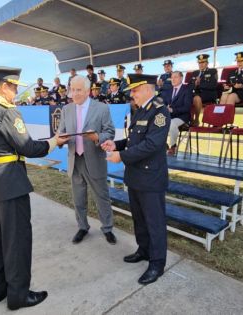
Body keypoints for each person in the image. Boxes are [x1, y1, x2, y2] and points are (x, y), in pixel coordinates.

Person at [0, 66, 68, 310]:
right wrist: (54, 141)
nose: (15, 93)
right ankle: (19, 295)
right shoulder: (6, 111)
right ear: (4, 86)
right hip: (10, 185)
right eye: (14, 87)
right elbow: (28, 148)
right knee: (17, 241)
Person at [102, 73, 170, 285]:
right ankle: (144, 250)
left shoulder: (160, 112)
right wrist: (117, 145)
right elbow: (134, 140)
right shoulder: (141, 111)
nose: (132, 94)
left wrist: (120, 156)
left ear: (148, 89)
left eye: (135, 90)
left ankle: (157, 263)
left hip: (150, 177)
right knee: (139, 218)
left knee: (154, 221)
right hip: (135, 176)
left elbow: (151, 145)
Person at [56, 76, 116, 244]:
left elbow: (110, 132)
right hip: (75, 160)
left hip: (95, 159)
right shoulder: (66, 109)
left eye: (78, 90)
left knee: (102, 197)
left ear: (88, 91)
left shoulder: (102, 109)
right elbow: (61, 131)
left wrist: (96, 136)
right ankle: (82, 227)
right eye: (72, 89)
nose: (74, 93)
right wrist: (61, 139)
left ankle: (107, 228)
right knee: (78, 198)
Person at [163, 71, 193, 156]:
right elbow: (164, 103)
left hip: (182, 116)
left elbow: (187, 107)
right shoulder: (168, 90)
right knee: (157, 122)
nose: (173, 79)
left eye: (175, 77)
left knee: (171, 124)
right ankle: (162, 146)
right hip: (169, 116)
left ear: (181, 78)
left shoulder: (187, 90)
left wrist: (172, 110)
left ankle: (173, 146)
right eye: (172, 77)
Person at [188, 54, 218, 126]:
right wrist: (195, 84)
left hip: (208, 94)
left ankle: (196, 120)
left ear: (207, 63)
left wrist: (199, 84)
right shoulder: (195, 73)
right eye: (199, 63)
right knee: (187, 97)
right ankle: (189, 119)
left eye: (203, 62)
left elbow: (213, 85)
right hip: (196, 94)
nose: (201, 64)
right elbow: (189, 86)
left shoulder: (212, 71)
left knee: (196, 98)